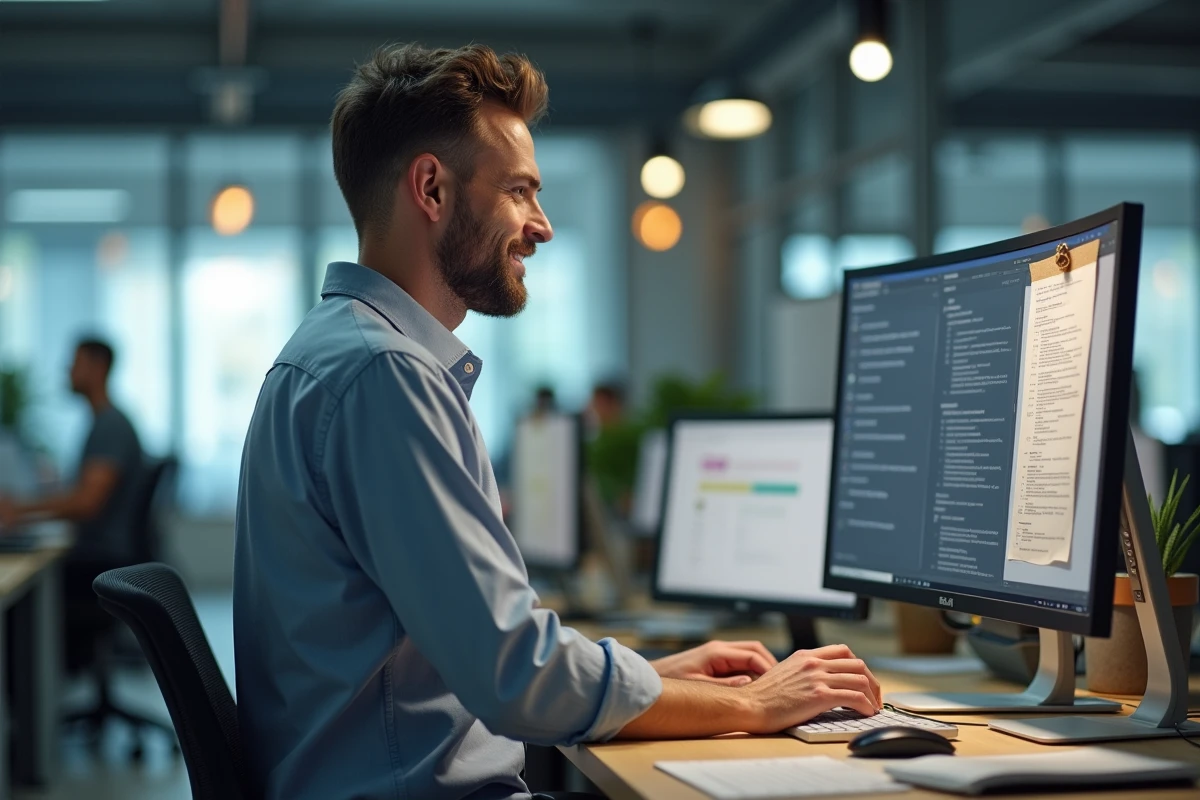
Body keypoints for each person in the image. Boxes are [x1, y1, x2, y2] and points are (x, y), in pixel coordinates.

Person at [234, 43, 881, 800]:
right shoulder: (387, 376)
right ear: (432, 189)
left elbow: (480, 651)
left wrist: (660, 677)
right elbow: (515, 673)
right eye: (519, 191)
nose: (540, 226)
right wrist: (751, 704)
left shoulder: (340, 355)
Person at [0, 338, 144, 669]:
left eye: (75, 362)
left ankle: (27, 706)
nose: (68, 370)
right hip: (104, 556)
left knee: (21, 596)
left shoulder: (111, 425)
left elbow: (87, 504)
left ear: (98, 368)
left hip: (102, 564)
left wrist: (19, 511)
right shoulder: (104, 423)